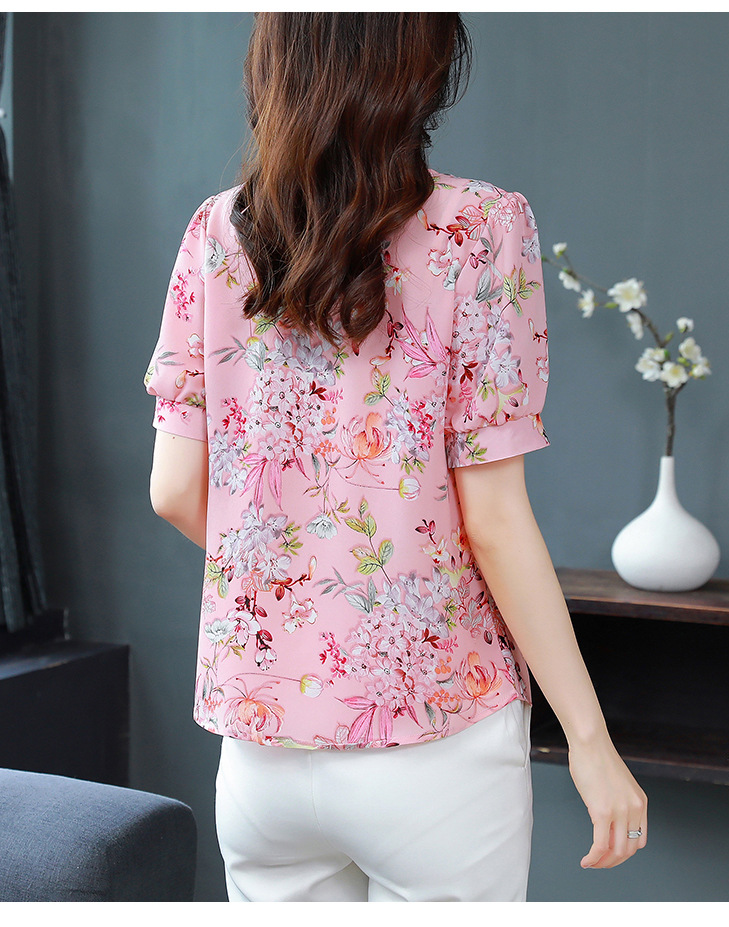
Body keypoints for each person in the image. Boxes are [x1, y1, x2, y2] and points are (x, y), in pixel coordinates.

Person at [145, 12, 648, 903]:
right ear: (421, 64)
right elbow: (494, 523)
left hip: (260, 748)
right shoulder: (481, 228)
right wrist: (590, 739)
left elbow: (175, 492)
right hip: (436, 739)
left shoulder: (215, 233)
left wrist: (305, 586)